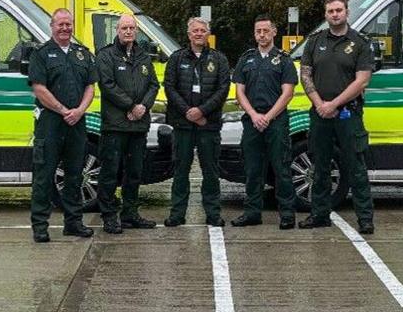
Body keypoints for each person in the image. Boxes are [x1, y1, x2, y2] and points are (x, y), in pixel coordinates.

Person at [298, 0, 375, 234]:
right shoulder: (314, 42)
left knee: (356, 168)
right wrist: (320, 103)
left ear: (347, 12)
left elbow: (362, 80)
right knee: (319, 167)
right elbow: (305, 74)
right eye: (330, 11)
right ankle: (319, 214)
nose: (335, 14)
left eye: (339, 10)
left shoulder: (360, 43)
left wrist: (334, 104)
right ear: (325, 15)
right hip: (320, 114)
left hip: (347, 115)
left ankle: (365, 219)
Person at [29, 8, 98, 243]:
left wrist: (79, 111)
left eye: (68, 24)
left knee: (74, 175)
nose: (65, 28)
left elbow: (91, 86)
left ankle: (73, 223)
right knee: (44, 175)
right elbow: (39, 87)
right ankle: (40, 226)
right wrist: (62, 110)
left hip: (76, 123)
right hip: (51, 122)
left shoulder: (82, 54)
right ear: (52, 26)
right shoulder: (41, 54)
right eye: (60, 24)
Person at [231, 15, 298, 230]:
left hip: (276, 121)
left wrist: (267, 117)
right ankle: (252, 213)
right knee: (252, 169)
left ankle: (287, 214)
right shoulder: (246, 59)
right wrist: (253, 115)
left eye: (265, 31)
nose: (261, 35)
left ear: (274, 32)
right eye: (258, 31)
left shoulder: (284, 60)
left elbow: (287, 93)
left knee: (281, 169)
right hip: (252, 120)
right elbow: (239, 91)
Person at [95, 14, 160, 234]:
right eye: (124, 28)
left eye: (132, 28)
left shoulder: (143, 55)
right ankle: (109, 216)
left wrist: (144, 106)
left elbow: (153, 84)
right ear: (117, 30)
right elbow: (107, 85)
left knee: (134, 172)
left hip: (139, 125)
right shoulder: (106, 55)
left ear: (136, 31)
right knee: (110, 173)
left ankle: (130, 213)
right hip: (115, 125)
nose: (128, 32)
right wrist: (131, 106)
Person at [163, 17, 231, 227]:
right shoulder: (176, 58)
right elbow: (169, 87)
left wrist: (202, 111)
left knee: (210, 171)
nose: (199, 34)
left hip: (208, 125)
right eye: (195, 31)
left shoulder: (219, 60)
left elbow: (223, 89)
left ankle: (212, 213)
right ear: (189, 34)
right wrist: (188, 112)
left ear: (208, 34)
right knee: (181, 170)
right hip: (183, 125)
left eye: (202, 30)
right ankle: (177, 214)